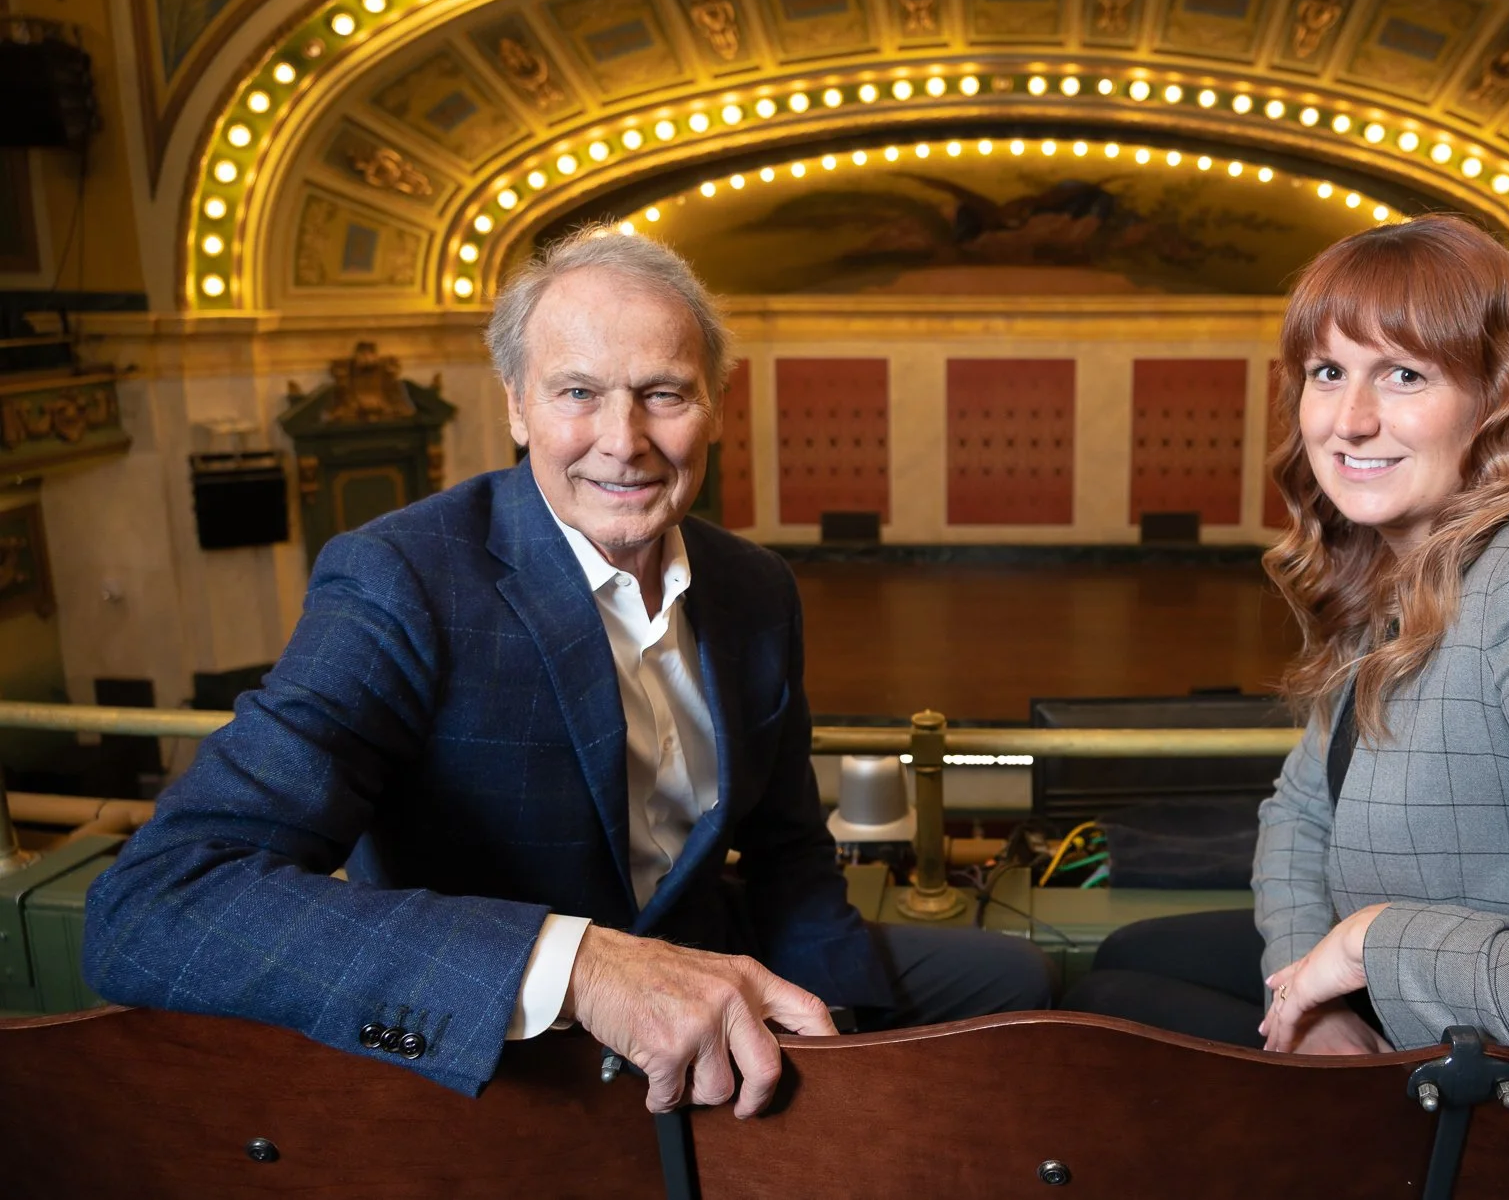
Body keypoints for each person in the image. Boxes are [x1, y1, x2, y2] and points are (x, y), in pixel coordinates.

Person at [84, 229, 1049, 1116]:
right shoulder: (403, 579)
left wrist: (838, 1040)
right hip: (516, 1044)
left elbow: (793, 853)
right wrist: (582, 965)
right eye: (577, 391)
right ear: (515, 403)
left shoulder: (757, 588)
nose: (622, 440)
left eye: (663, 393)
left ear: (715, 402)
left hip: (720, 970)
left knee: (1033, 991)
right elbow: (155, 905)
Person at [1065, 215, 1509, 1115]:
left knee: (1106, 1011)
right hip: (1398, 983)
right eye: (1328, 372)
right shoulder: (1391, 558)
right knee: (1126, 960)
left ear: (1495, 398)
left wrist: (1370, 944)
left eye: (1405, 375)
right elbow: (1300, 813)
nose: (1350, 420)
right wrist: (1314, 1000)